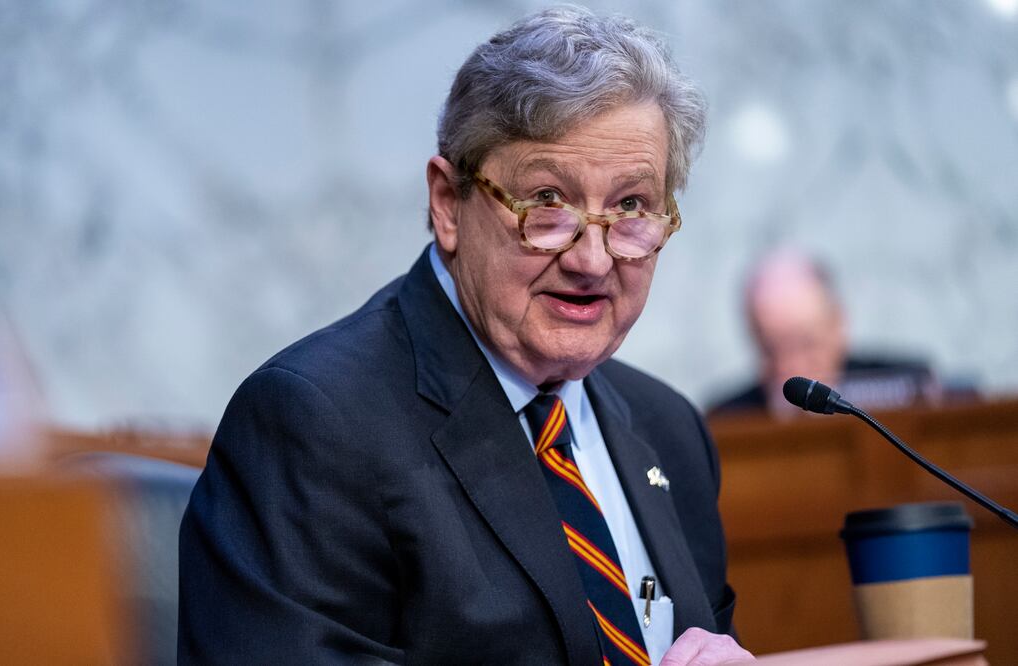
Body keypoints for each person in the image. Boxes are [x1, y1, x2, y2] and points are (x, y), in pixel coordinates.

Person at [179, 7, 753, 665]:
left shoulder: (669, 430)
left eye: (630, 208)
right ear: (449, 204)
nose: (592, 260)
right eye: (547, 202)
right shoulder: (316, 426)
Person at [708, 249, 936, 418]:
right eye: (771, 351)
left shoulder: (911, 389)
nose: (791, 366)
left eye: (807, 344)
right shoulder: (729, 420)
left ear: (838, 324)